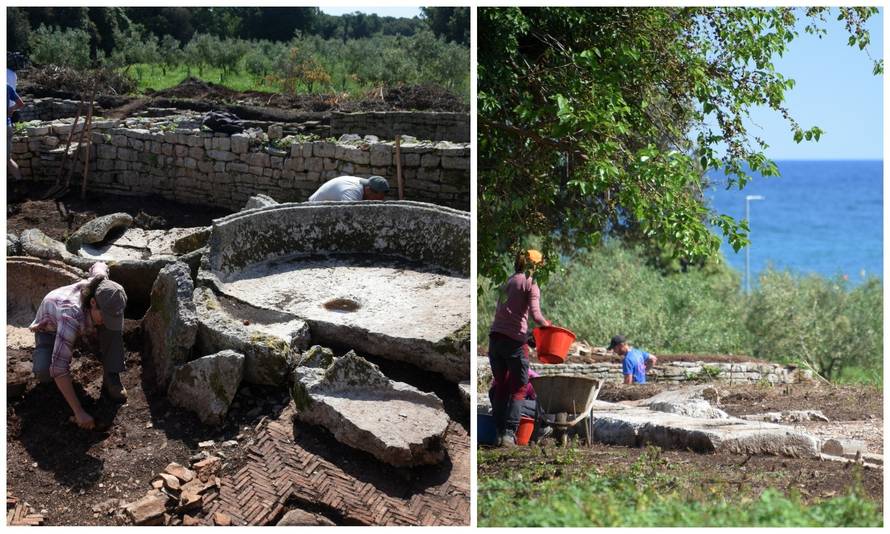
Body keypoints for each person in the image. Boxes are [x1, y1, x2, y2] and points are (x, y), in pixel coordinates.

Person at [30, 262, 129, 430]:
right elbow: (59, 368)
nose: (107, 320)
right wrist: (79, 411)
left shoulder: (101, 285)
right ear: (92, 303)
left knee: (111, 330)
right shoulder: (70, 315)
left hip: (84, 325)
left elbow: (99, 265)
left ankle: (111, 375)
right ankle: (62, 389)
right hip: (51, 331)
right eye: (104, 315)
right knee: (45, 371)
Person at [488, 249, 551, 447]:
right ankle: (509, 434)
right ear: (535, 266)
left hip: (495, 340)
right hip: (514, 342)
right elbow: (536, 314)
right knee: (519, 388)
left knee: (501, 385)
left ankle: (498, 433)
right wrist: (548, 327)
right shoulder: (531, 282)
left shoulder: (509, 280)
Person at [308, 175, 389, 202]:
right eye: (377, 199)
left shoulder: (365, 184)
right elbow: (348, 214)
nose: (376, 202)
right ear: (369, 190)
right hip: (313, 210)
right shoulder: (352, 192)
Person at [7, 74, 24, 181]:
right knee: (7, 159)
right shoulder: (6, 86)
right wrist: (10, 110)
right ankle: (20, 185)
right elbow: (20, 104)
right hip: (7, 126)